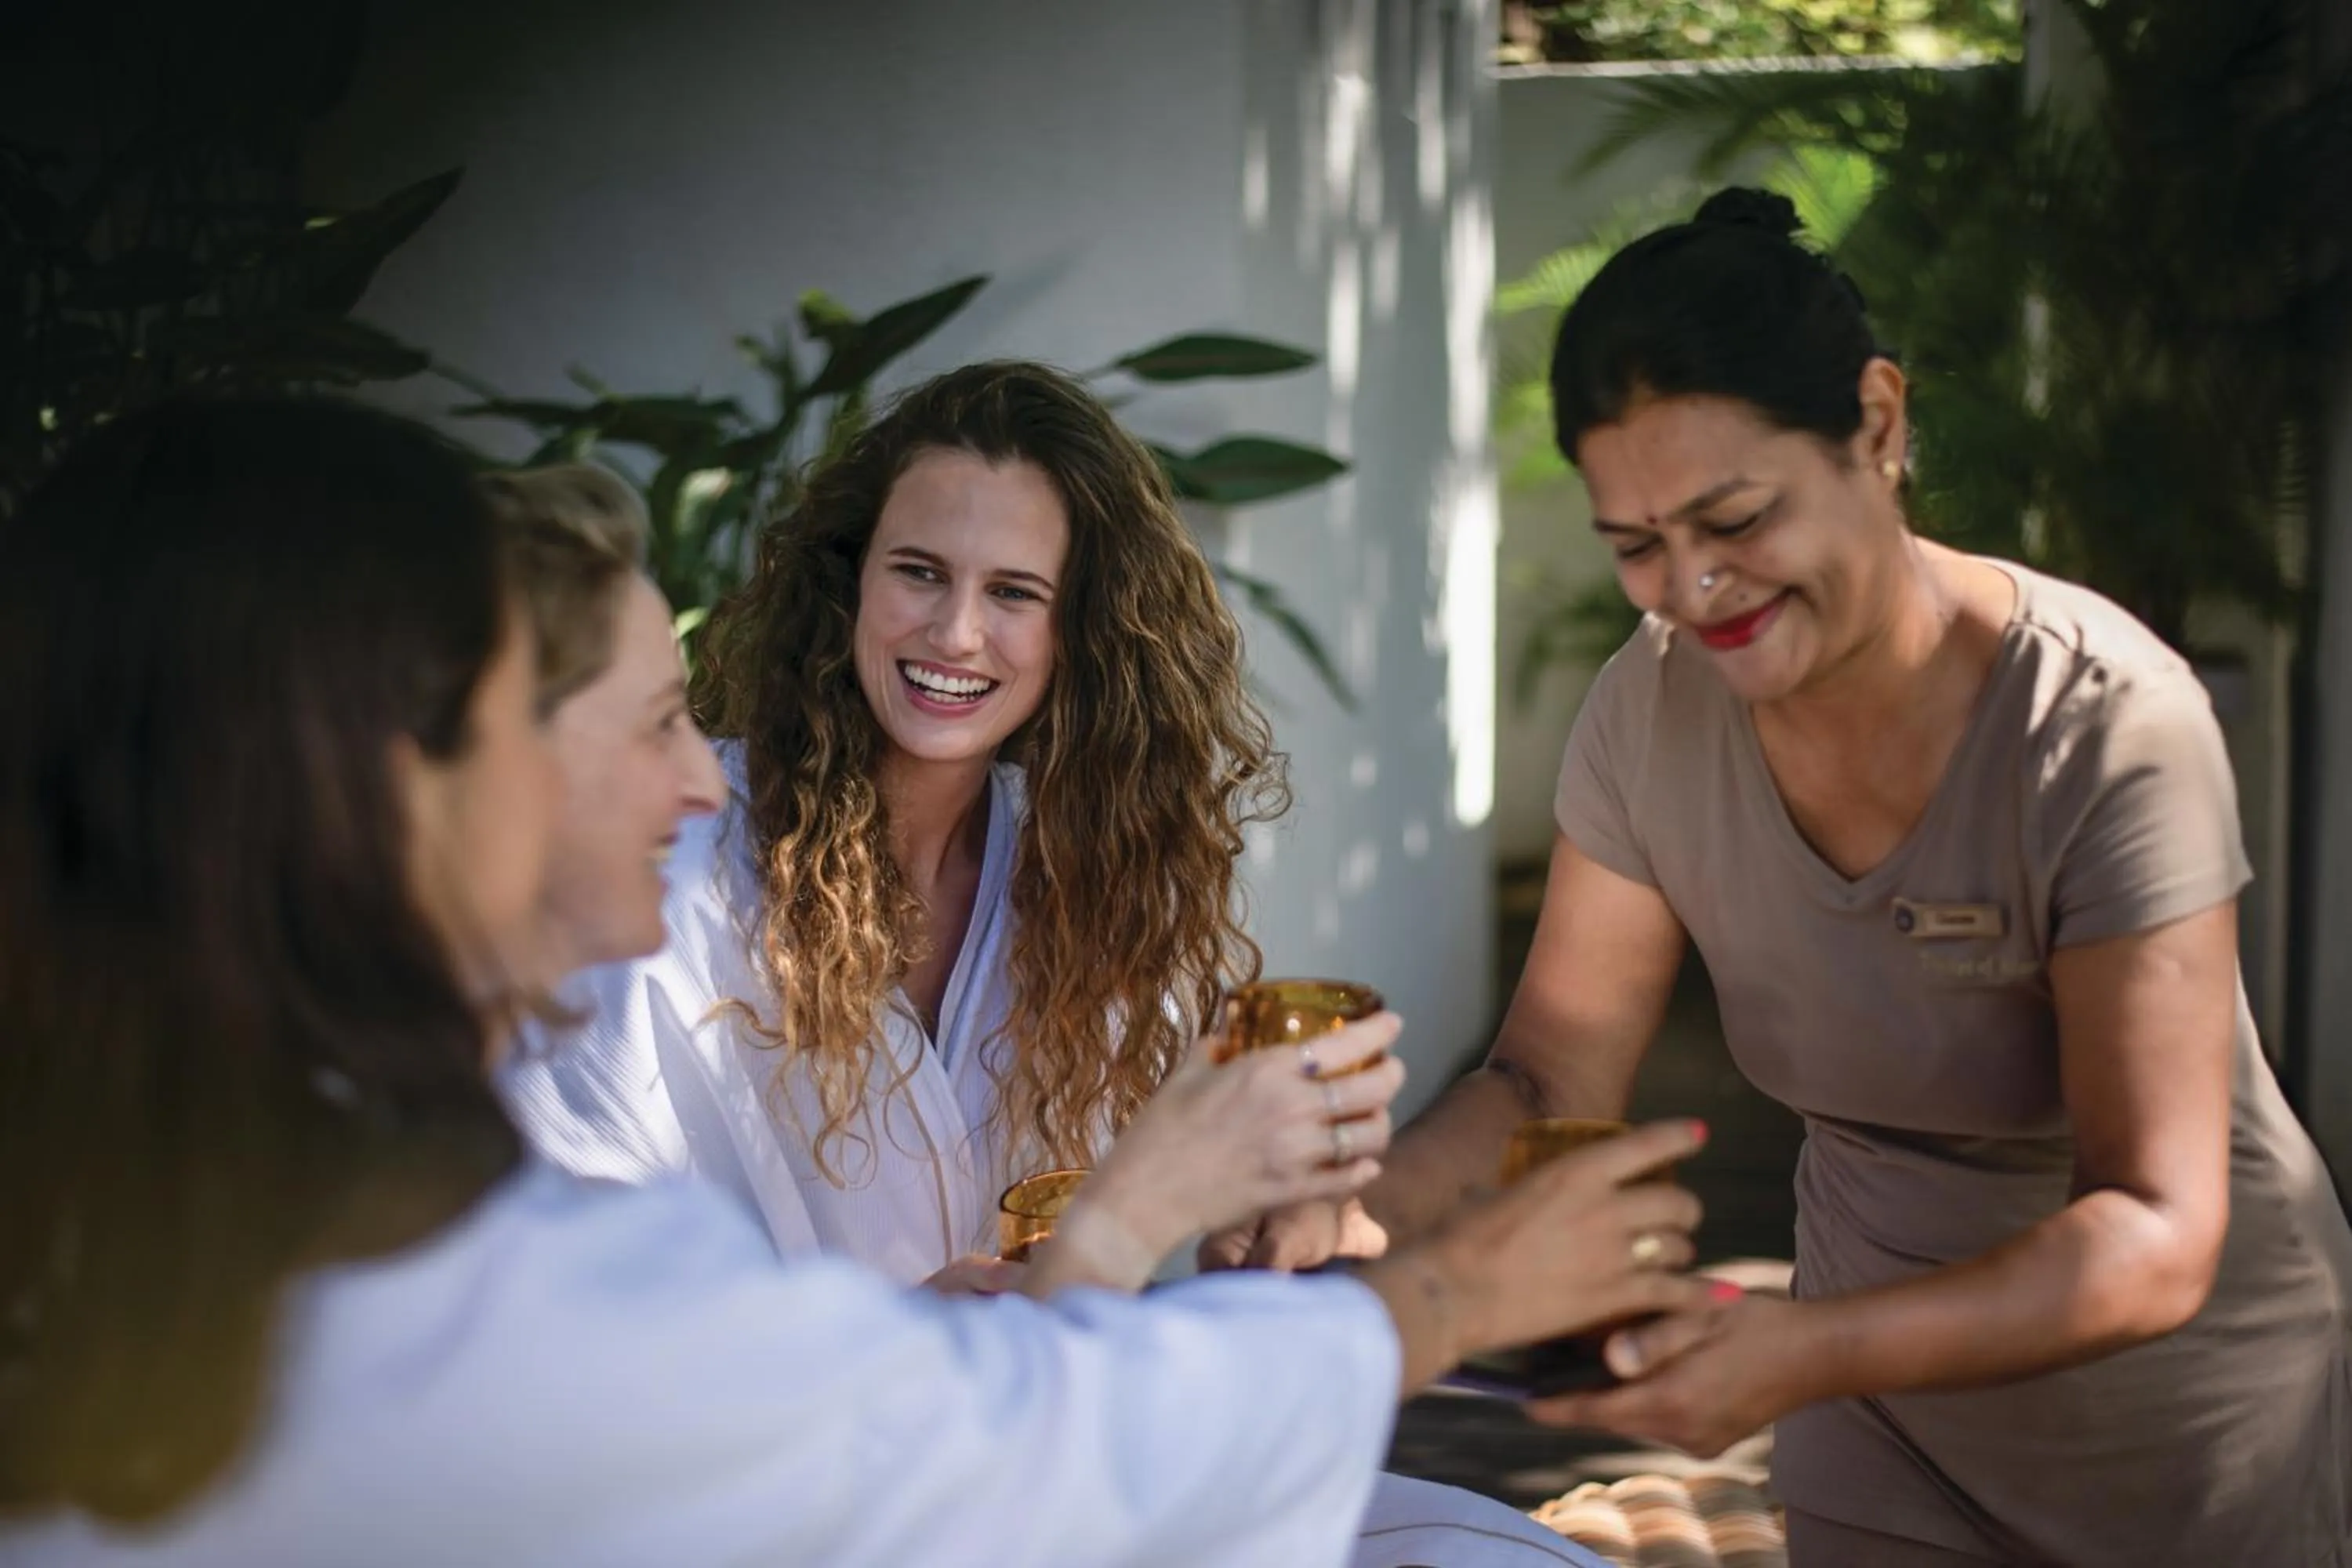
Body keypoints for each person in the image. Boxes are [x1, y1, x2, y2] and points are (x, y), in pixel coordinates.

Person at [0, 396, 1715, 1568]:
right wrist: (1437, 1293)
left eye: (1014, 593)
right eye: (636, 723)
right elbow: (857, 1440)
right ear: (378, 779)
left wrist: (1197, 1231)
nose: (691, 781)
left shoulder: (219, 1176)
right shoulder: (469, 1278)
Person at [1211, 187, 2352, 1566]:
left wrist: (1797, 1347)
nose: (1694, 590)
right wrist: (1359, 1212)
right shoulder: (1652, 712)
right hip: (1873, 1419)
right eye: (1637, 545)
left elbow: (2155, 1231)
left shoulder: (2102, 725)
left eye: (1735, 518)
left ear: (1877, 424)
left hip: (2178, 1438)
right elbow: (1548, 1077)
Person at [485, 452, 1403, 1297]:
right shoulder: (666, 867)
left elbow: (1167, 1180)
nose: (958, 631)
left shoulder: (1093, 876)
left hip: (1017, 1442)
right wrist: (904, 1338)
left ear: (1081, 629)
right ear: (848, 582)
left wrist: (1263, 1202)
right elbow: (575, 1298)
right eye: (919, 572)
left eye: (1014, 590)